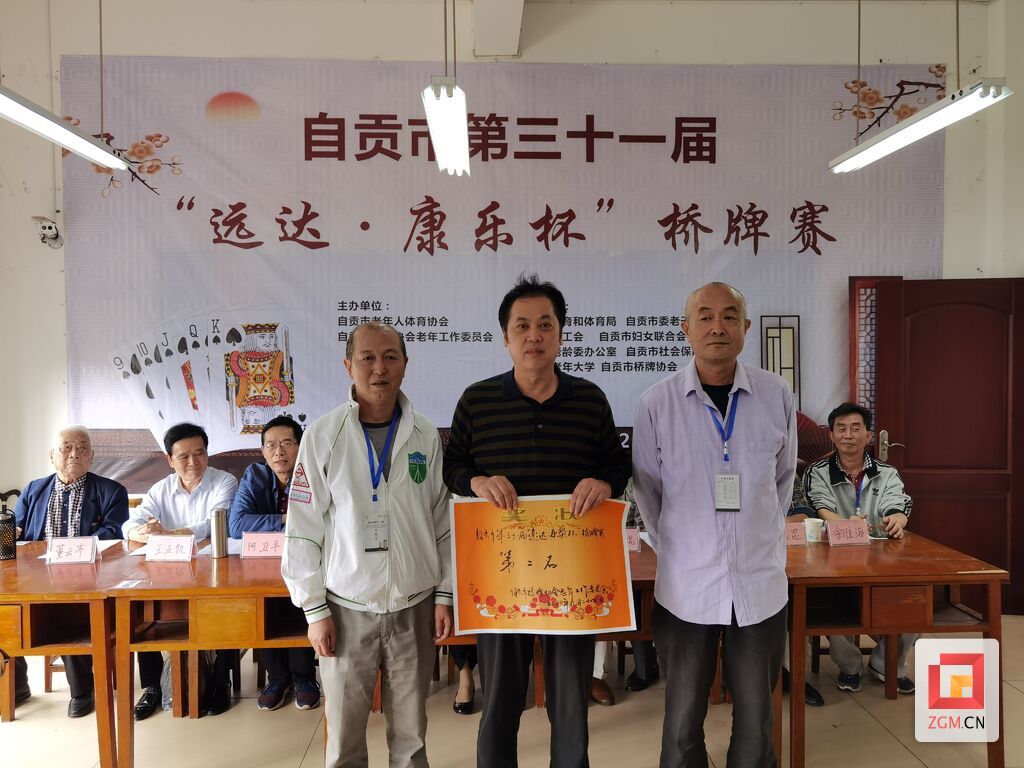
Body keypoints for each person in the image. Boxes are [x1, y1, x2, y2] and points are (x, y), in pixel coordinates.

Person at [444, 274, 631, 768]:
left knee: (570, 706)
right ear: (505, 337)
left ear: (561, 333)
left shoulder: (589, 399)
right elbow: (452, 465)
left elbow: (617, 464)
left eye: (545, 324)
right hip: (501, 577)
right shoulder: (477, 400)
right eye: (521, 326)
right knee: (500, 701)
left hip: (571, 577)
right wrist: (476, 481)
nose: (534, 336)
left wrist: (605, 482)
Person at [633, 281, 796, 768]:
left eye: (729, 316)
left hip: (760, 584)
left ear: (746, 328)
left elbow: (783, 480)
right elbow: (647, 490)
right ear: (686, 329)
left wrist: (756, 536)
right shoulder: (656, 403)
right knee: (683, 718)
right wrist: (683, 548)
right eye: (705, 316)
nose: (717, 327)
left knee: (757, 717)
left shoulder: (776, 395)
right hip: (687, 587)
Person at [282, 321, 452, 768]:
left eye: (390, 357)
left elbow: (443, 521)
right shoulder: (323, 435)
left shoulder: (425, 434)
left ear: (405, 365)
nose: (380, 368)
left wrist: (445, 595)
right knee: (344, 737)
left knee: (412, 736)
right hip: (346, 607)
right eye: (368, 358)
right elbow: (302, 526)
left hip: (414, 604)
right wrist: (314, 609)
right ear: (348, 366)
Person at [123, 422, 238, 719]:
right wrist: (143, 532)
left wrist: (169, 534)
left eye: (199, 453)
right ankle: (152, 686)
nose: (193, 462)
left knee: (226, 605)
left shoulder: (224, 481)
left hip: (213, 569)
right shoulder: (161, 489)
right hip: (168, 573)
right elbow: (132, 523)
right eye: (183, 456)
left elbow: (215, 522)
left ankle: (220, 679)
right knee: (142, 610)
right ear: (169, 459)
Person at [13, 426, 128, 717]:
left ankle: (82, 691)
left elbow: (114, 534)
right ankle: (16, 685)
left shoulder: (111, 491)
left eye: (82, 448)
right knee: (6, 611)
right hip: (33, 576)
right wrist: (10, 534)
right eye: (66, 447)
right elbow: (18, 531)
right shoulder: (33, 489)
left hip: (87, 576)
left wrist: (72, 552)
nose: (74, 453)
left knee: (67, 608)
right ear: (52, 455)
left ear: (92, 456)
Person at [803, 402, 915, 695]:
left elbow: (898, 502)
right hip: (833, 558)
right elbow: (819, 506)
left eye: (856, 428)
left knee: (916, 599)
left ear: (869, 435)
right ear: (831, 435)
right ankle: (850, 666)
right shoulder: (817, 472)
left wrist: (897, 518)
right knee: (828, 603)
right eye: (841, 429)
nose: (848, 435)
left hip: (882, 558)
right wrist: (847, 525)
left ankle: (886, 663)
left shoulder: (887, 472)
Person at [229, 415, 321, 712]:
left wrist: (267, 523)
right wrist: (286, 519)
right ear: (262, 450)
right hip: (263, 564)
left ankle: (305, 678)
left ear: (300, 446)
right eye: (270, 445)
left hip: (307, 560)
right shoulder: (254, 475)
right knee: (265, 606)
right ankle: (277, 679)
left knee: (300, 600)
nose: (278, 452)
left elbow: (320, 519)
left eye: (286, 443)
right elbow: (237, 525)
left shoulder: (314, 473)